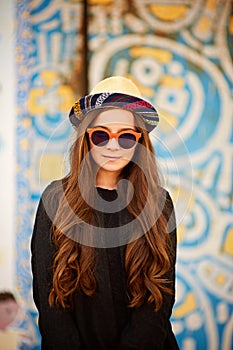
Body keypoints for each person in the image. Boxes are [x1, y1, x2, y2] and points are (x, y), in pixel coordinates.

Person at [31, 76, 179, 350]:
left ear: (139, 143)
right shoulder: (55, 200)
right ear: (86, 139)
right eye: (101, 135)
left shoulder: (160, 204)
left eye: (125, 137)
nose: (113, 146)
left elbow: (158, 303)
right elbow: (51, 305)